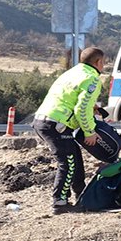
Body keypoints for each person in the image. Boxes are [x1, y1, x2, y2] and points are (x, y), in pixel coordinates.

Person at [33, 46, 109, 213]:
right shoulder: (92, 79)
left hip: (44, 119)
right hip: (57, 124)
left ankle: (81, 196)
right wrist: (90, 132)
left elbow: (69, 98)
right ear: (98, 62)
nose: (104, 66)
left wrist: (93, 108)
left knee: (75, 158)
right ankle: (60, 203)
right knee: (67, 163)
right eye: (103, 62)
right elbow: (81, 110)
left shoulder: (72, 72)